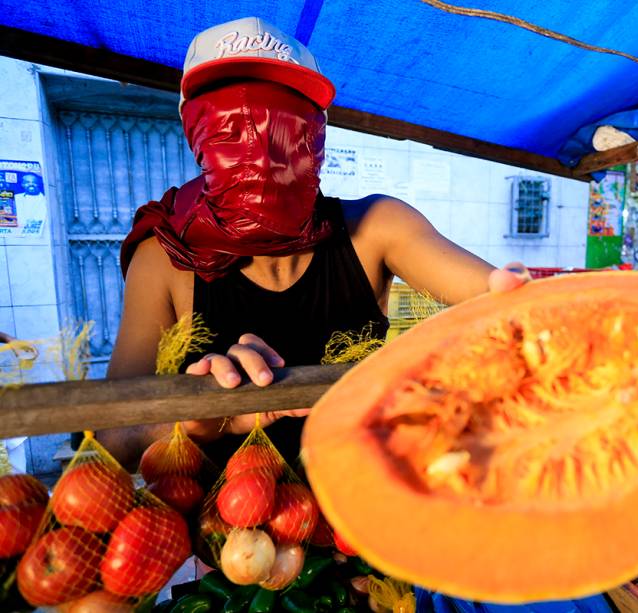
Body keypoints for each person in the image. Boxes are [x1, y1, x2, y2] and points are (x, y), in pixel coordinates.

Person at [98, 17, 528, 469]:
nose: (260, 152)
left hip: (362, 498)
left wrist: (516, 299)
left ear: (318, 134)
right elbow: (113, 437)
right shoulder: (165, 259)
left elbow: (498, 298)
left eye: (284, 125)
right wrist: (200, 418)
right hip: (224, 526)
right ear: (195, 135)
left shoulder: (377, 227)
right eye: (230, 130)